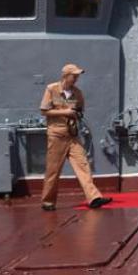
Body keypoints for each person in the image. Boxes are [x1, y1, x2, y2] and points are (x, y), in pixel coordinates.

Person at [39, 64, 112, 211]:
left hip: (72, 135)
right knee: (53, 170)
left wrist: (76, 113)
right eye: (74, 75)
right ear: (65, 75)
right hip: (57, 135)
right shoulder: (52, 89)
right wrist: (65, 112)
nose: (76, 78)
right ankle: (48, 202)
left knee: (83, 165)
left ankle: (94, 198)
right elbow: (44, 111)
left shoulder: (77, 93)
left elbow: (80, 110)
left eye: (77, 76)